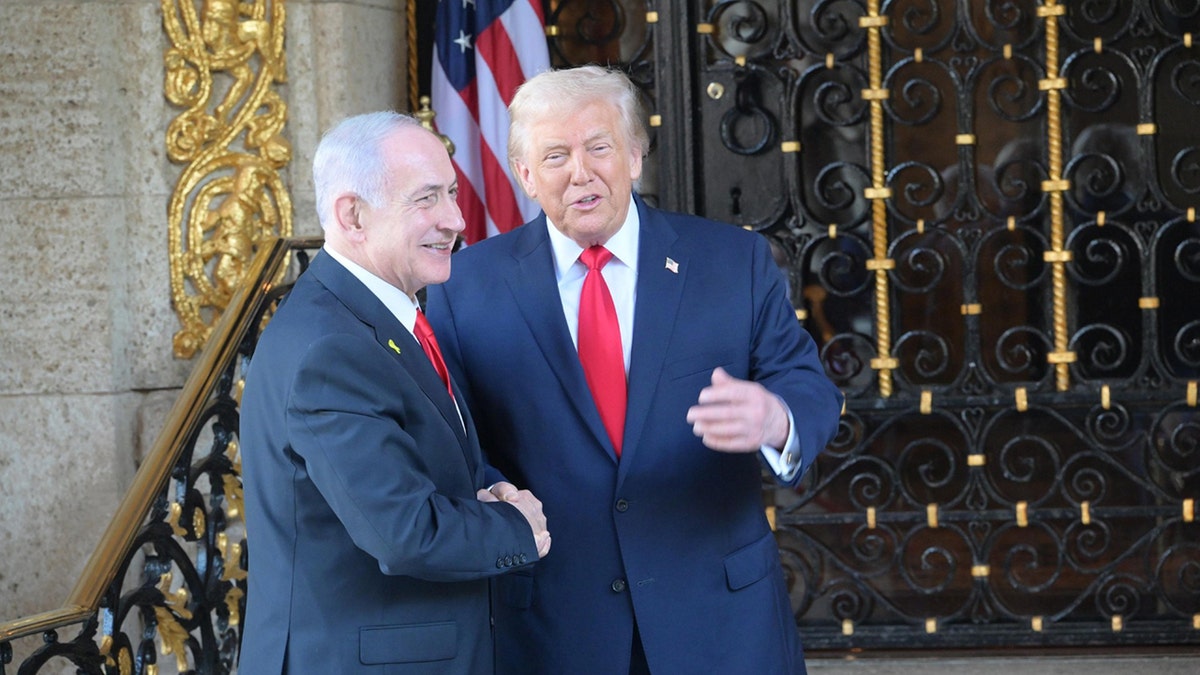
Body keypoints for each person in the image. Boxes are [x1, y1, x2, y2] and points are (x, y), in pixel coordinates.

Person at [425, 66, 844, 674]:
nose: (580, 172)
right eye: (555, 156)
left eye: (599, 147)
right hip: (552, 628)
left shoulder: (732, 262)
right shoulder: (464, 289)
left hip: (719, 622)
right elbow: (455, 438)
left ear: (636, 155)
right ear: (524, 175)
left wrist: (776, 417)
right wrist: (494, 493)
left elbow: (806, 385)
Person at [239, 111, 551, 674]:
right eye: (426, 199)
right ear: (352, 215)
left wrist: (493, 487)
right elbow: (405, 533)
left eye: (452, 193)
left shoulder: (372, 318)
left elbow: (429, 462)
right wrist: (520, 528)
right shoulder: (329, 349)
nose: (455, 219)